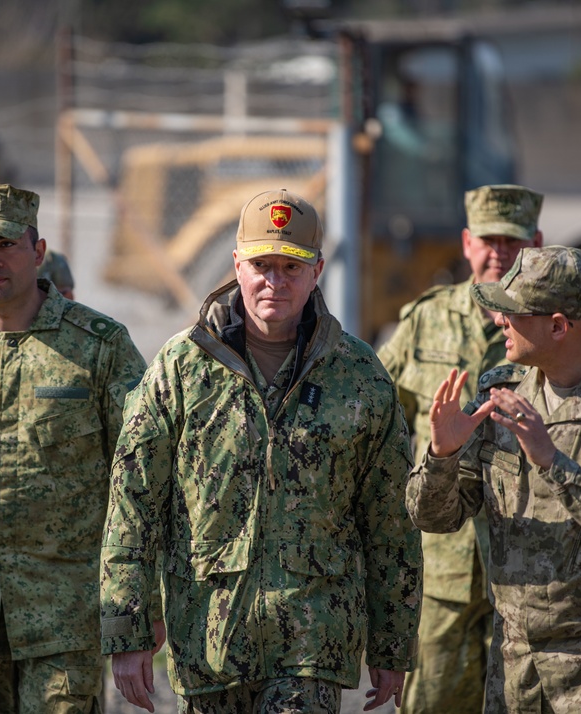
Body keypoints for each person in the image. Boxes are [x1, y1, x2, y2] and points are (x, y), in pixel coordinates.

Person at [101, 188, 422, 713]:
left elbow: (390, 521)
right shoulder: (182, 368)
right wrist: (127, 630)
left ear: (317, 270)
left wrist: (393, 642)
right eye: (262, 264)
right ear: (237, 265)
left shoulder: (359, 375)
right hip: (207, 640)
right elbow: (133, 504)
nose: (276, 281)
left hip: (312, 641)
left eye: (292, 267)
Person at [406, 245, 581, 713]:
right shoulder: (499, 389)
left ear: (558, 326)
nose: (498, 320)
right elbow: (433, 517)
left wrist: (552, 462)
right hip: (519, 664)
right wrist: (443, 453)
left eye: (512, 312)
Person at [0, 183, 147, 714]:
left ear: (38, 252)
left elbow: (142, 482)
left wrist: (139, 609)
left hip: (66, 620)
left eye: (6, 245)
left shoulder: (99, 345)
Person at [377, 183, 542, 714]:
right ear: (467, 243)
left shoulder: (551, 329)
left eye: (513, 242)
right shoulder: (424, 319)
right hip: (438, 569)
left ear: (536, 243)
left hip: (523, 570)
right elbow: (377, 416)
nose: (499, 252)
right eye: (489, 240)